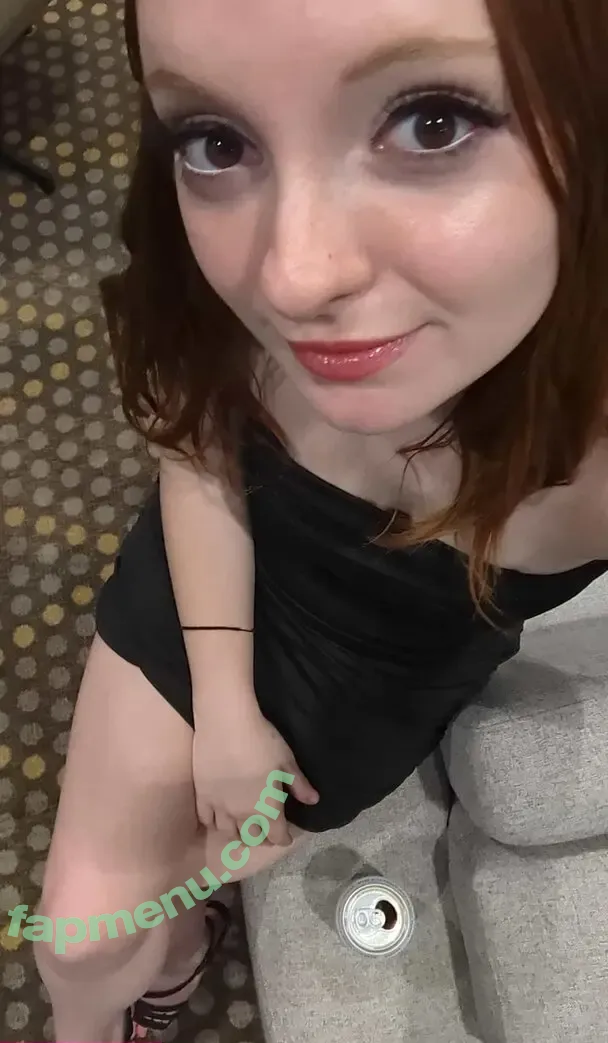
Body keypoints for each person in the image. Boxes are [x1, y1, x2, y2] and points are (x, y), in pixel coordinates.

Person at [34, 0, 608, 1039]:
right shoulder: (209, 253)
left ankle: (175, 945)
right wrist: (223, 710)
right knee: (78, 941)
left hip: (366, 688)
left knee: (150, 893)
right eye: (215, 141)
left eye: (432, 121)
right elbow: (196, 440)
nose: (290, 278)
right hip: (205, 569)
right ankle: (163, 963)